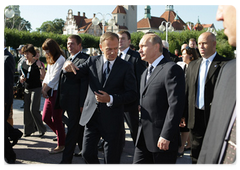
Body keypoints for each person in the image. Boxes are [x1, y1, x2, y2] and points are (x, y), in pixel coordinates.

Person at [63, 32, 137, 164]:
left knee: (111, 160)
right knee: (86, 153)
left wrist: (111, 99)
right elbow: (75, 74)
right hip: (92, 118)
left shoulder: (126, 66)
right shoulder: (92, 61)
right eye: (109, 49)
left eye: (115, 48)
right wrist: (67, 67)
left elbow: (132, 94)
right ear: (101, 47)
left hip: (113, 119)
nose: (113, 52)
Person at [133, 33, 185, 164]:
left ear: (157, 47)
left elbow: (176, 105)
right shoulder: (145, 72)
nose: (139, 50)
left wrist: (166, 135)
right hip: (143, 137)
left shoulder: (171, 69)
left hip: (162, 140)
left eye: (143, 46)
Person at [197, 3, 237, 165]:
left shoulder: (224, 66)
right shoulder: (230, 71)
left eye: (225, 3)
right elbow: (210, 147)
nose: (219, 16)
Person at [184, 32, 229, 164]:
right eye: (199, 44)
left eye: (204, 43)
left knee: (214, 153)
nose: (201, 46)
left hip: (216, 117)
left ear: (214, 44)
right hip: (195, 117)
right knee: (196, 154)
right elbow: (187, 91)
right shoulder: (192, 65)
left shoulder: (225, 65)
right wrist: (183, 114)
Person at [56, 35, 88, 164]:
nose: (69, 46)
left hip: (76, 104)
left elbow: (84, 84)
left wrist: (82, 104)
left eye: (72, 44)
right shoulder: (68, 59)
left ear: (80, 45)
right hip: (67, 101)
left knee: (72, 131)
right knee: (78, 130)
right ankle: (85, 152)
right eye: (68, 43)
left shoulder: (84, 59)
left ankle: (66, 160)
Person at [118, 30, 146, 145]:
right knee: (117, 128)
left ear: (129, 41)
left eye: (123, 38)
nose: (120, 41)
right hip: (116, 99)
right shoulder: (114, 56)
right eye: (118, 38)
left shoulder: (136, 57)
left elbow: (140, 80)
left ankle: (140, 148)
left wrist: (140, 100)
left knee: (134, 127)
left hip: (131, 100)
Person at [41, 38, 66, 154]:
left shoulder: (61, 59)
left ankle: (61, 144)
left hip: (56, 92)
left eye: (47, 50)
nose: (46, 53)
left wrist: (45, 89)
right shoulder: (51, 58)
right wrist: (44, 87)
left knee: (57, 118)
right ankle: (62, 136)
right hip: (49, 91)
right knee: (45, 117)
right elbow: (47, 76)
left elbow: (55, 77)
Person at [19, 44, 46, 137]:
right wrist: (21, 78)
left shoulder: (37, 63)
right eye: (25, 53)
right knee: (26, 110)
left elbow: (43, 77)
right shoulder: (23, 63)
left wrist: (40, 68)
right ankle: (28, 131)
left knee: (33, 110)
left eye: (28, 53)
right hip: (26, 88)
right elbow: (22, 75)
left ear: (32, 54)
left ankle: (41, 129)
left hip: (36, 89)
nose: (26, 55)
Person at [177, 46, 199, 156]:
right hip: (184, 97)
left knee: (184, 126)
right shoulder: (185, 66)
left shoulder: (194, 67)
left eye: (184, 54)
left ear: (191, 55)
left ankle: (181, 147)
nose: (182, 56)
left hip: (191, 100)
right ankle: (189, 144)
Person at [2, 35, 16, 164]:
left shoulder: (7, 58)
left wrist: (3, 103)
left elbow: (6, 83)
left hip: (3, 101)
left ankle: (10, 156)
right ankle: (14, 134)